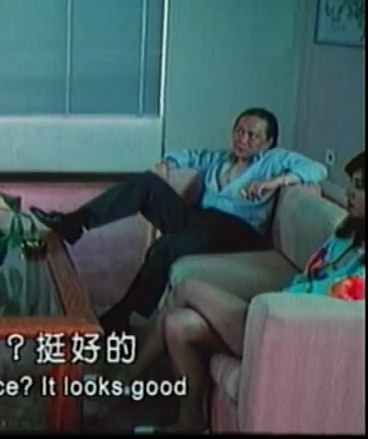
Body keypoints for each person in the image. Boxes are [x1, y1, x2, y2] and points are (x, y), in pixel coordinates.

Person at [128, 150, 365, 433]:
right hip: (276, 312)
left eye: (359, 187)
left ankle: (129, 378)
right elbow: (306, 278)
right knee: (178, 323)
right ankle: (190, 422)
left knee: (187, 288)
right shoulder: (346, 234)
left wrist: (273, 305)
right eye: (351, 184)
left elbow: (325, 301)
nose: (349, 193)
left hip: (293, 333)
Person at [29, 108, 328, 332]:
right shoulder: (220, 159)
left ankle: (123, 314)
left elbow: (317, 170)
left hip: (237, 230)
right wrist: (167, 163)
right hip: (202, 220)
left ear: (268, 142)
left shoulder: (274, 161)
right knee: (146, 182)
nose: (242, 139)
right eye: (239, 131)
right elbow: (188, 155)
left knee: (167, 247)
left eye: (252, 135)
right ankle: (74, 223)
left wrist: (274, 182)